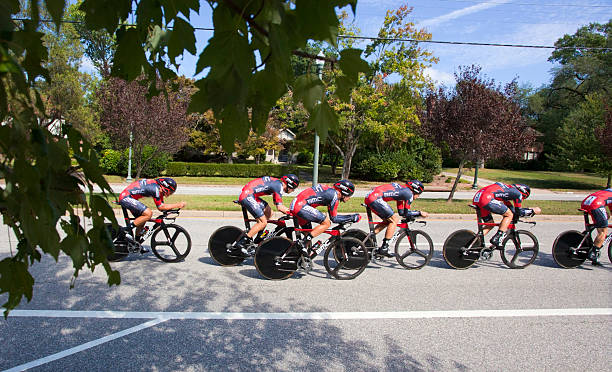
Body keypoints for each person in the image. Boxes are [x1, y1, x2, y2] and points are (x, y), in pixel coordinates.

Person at [229, 174, 300, 255]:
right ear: (289, 185)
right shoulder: (278, 186)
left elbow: (276, 202)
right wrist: (293, 213)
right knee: (263, 222)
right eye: (293, 189)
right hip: (248, 195)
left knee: (269, 212)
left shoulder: (277, 183)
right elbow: (279, 207)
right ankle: (242, 243)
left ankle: (259, 237)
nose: (293, 191)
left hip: (250, 194)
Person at [290, 180, 361, 257]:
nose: (349, 198)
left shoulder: (331, 192)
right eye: (349, 196)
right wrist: (353, 217)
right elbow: (334, 218)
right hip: (300, 206)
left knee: (308, 233)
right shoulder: (334, 195)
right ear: (345, 193)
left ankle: (302, 257)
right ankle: (303, 242)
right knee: (326, 223)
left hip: (298, 204)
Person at [364, 180, 429, 257]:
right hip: (375, 198)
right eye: (419, 194)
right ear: (415, 191)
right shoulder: (409, 194)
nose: (418, 197)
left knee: (388, 221)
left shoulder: (402, 192)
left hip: (371, 197)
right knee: (394, 220)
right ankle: (384, 248)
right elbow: (406, 213)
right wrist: (419, 213)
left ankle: (365, 239)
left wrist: (413, 214)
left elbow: (401, 212)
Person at [118, 178, 186, 249]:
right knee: (148, 214)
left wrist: (171, 209)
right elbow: (161, 207)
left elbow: (162, 206)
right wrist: (177, 205)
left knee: (142, 219)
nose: (170, 194)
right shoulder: (156, 189)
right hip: (126, 197)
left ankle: (136, 243)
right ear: (166, 187)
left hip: (129, 197)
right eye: (171, 192)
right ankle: (126, 230)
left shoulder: (157, 187)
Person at [472, 182, 541, 248]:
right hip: (486, 198)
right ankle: (497, 238)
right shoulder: (517, 194)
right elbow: (518, 212)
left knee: (489, 223)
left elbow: (512, 209)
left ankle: (471, 242)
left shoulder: (507, 190)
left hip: (478, 198)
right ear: (523, 193)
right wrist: (533, 211)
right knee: (508, 215)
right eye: (523, 198)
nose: (521, 200)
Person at [581, 188, 612, 266]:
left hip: (586, 202)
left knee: (605, 217)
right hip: (596, 204)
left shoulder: (609, 190)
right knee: (603, 231)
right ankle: (594, 252)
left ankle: (594, 256)